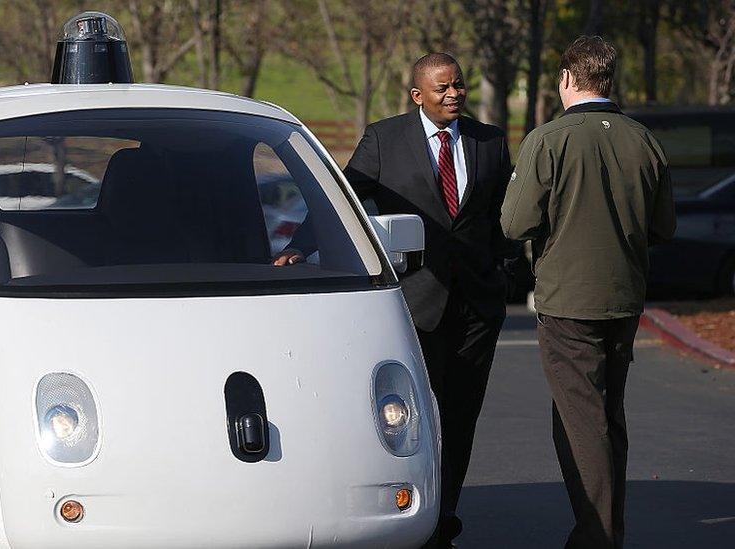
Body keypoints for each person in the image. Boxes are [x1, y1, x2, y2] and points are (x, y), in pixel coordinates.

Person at [277, 53, 515, 548]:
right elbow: (342, 200)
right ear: (418, 95)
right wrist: (300, 246)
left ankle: (445, 515)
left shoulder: (489, 143)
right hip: (416, 306)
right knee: (418, 417)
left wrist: (507, 272)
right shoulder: (385, 140)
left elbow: (503, 219)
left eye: (459, 86)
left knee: (462, 414)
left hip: (477, 307)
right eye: (443, 88)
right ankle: (418, 513)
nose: (454, 95)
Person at [500, 36, 675, 549]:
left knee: (581, 421)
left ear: (568, 79)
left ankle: (598, 536)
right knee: (606, 415)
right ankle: (607, 526)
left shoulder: (549, 139)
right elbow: (663, 227)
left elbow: (515, 222)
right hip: (624, 295)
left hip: (567, 299)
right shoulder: (644, 140)